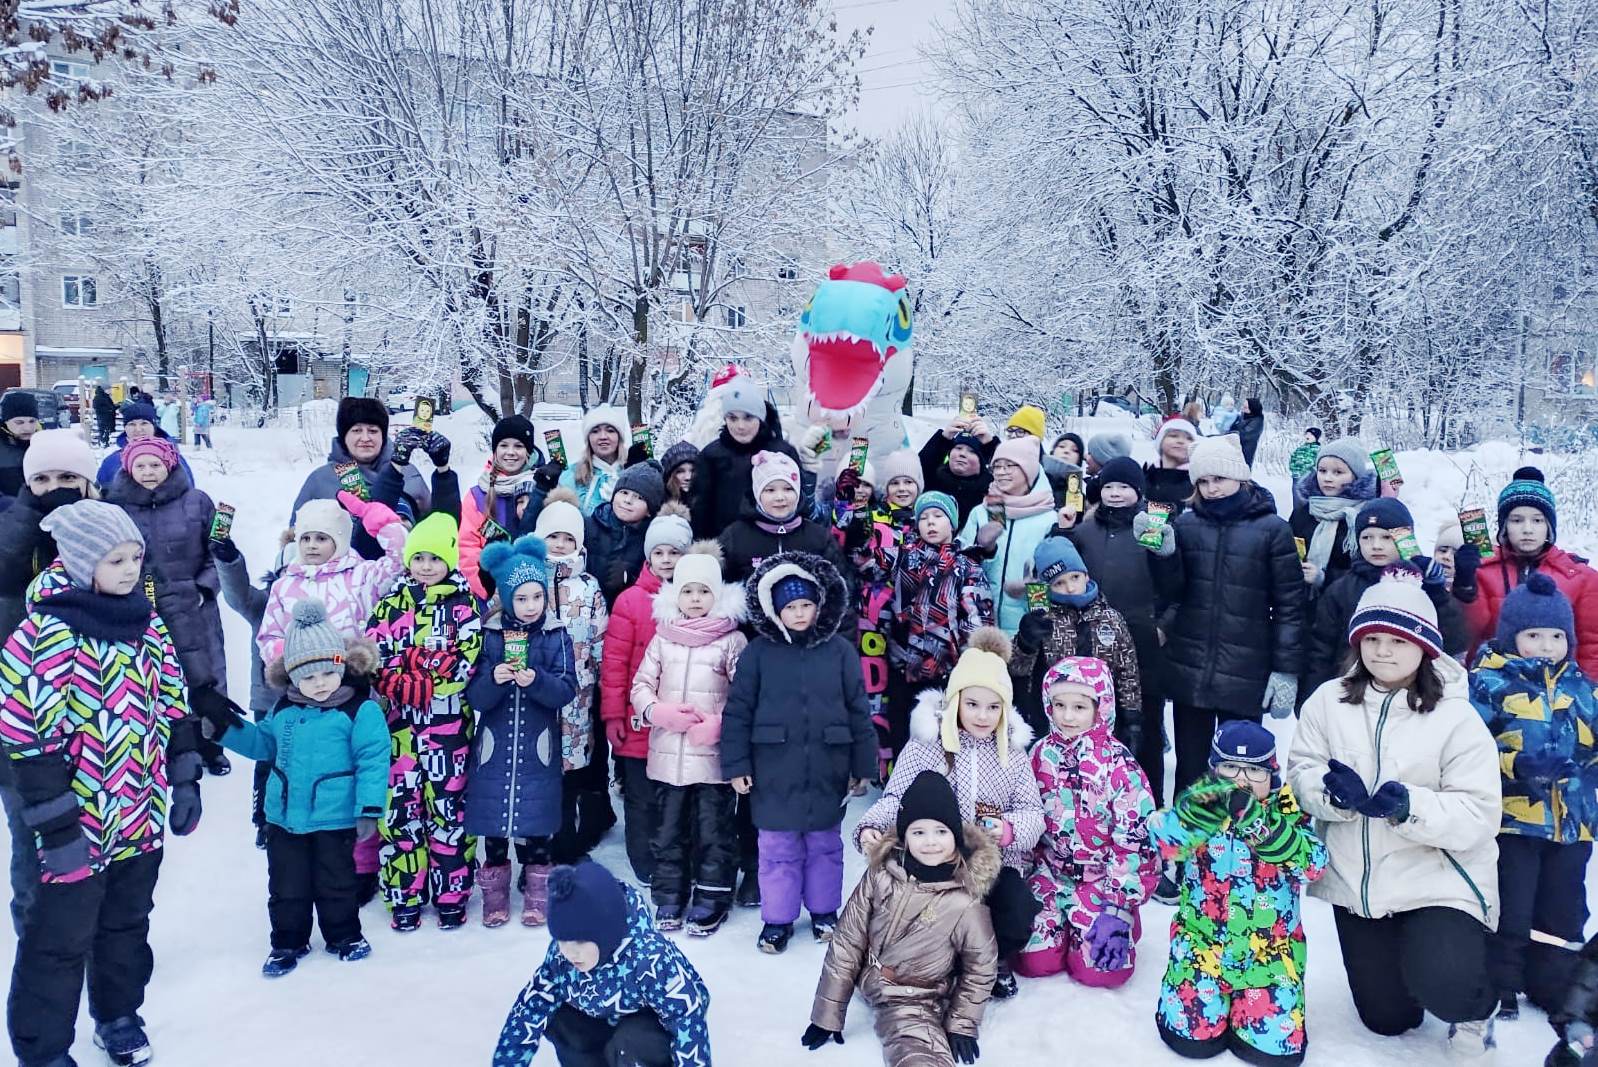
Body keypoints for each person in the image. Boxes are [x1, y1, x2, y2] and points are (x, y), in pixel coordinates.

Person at [0, 499, 202, 1067]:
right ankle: (42, 1050)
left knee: (125, 925)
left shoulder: (145, 622)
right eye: (116, 559)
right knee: (59, 941)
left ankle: (117, 1015)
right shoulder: (47, 633)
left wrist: (184, 775)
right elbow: (26, 736)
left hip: (137, 812)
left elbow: (173, 703)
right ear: (83, 560)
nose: (130, 569)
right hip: (75, 824)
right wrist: (56, 825)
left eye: (135, 556)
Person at [1287, 574, 1501, 1055]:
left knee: (1444, 983)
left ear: (1423, 645)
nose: (1382, 651)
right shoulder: (1328, 700)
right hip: (1358, 884)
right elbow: (1302, 771)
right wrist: (1329, 793)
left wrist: (1411, 806)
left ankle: (1475, 1005)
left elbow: (1480, 813)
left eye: (1397, 640)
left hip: (1437, 876)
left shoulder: (1455, 717)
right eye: (1372, 639)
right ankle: (1410, 966)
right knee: (1387, 1019)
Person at [193, 600, 387, 975]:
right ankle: (287, 942)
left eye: (327, 674)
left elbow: (373, 761)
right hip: (284, 818)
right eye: (308, 677)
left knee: (336, 883)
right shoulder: (283, 711)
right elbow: (263, 746)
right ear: (292, 678)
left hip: (334, 817)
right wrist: (223, 729)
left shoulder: (359, 711)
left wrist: (368, 809)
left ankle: (344, 935)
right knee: (286, 887)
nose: (319, 684)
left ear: (341, 667)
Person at [854, 628, 1045, 999]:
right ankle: (939, 964)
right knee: (925, 911)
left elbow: (1032, 811)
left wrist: (1008, 830)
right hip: (934, 858)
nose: (983, 715)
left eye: (993, 707)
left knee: (1015, 908)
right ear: (956, 699)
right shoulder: (928, 743)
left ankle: (992, 959)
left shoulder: (1013, 754)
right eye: (972, 704)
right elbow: (898, 796)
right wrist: (871, 825)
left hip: (993, 863)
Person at [720, 552, 876, 954]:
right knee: (777, 849)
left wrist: (863, 764)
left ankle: (825, 912)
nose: (800, 613)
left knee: (825, 845)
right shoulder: (757, 653)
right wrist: (737, 764)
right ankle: (777, 919)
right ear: (775, 610)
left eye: (806, 604)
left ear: (819, 605)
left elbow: (859, 708)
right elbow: (738, 710)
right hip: (773, 769)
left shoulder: (841, 651)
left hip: (828, 765)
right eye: (791, 606)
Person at [1152, 721, 1325, 1066]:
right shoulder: (1202, 805)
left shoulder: (1287, 811)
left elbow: (1312, 865)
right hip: (1202, 946)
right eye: (1230, 767)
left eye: (1254, 770)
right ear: (1215, 770)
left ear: (1272, 775)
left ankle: (1253, 1011)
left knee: (1273, 1051)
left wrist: (1257, 823)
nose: (1241, 780)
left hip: (1270, 954)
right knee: (1190, 1040)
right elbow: (1164, 841)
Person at [804, 771, 999, 1066]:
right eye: (918, 832)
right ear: (904, 836)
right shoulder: (881, 874)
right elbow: (848, 940)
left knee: (914, 1050)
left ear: (956, 836)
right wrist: (827, 1014)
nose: (930, 842)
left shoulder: (964, 901)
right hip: (868, 975)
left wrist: (962, 1022)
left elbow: (981, 965)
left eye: (941, 832)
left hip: (914, 995)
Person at [1468, 574, 1596, 1020]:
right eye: (1534, 635)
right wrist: (1518, 766)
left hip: (1572, 823)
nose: (1546, 645)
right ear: (1512, 636)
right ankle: (1501, 982)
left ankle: (1553, 980)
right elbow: (1469, 750)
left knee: (1563, 911)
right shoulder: (1489, 684)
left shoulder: (1584, 689)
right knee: (1512, 907)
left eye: (1556, 636)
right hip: (1513, 821)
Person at [1161, 434, 1305, 795]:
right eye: (1203, 481)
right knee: (1191, 768)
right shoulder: (1186, 525)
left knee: (1240, 770)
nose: (1211, 488)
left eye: (1219, 479)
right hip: (1192, 667)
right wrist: (1163, 556)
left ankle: (1238, 843)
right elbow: (1172, 592)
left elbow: (1290, 604)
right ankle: (1187, 841)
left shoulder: (1272, 530)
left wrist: (1286, 669)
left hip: (1246, 671)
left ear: (1239, 477)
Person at [364, 513, 484, 931]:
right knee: (399, 813)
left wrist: (429, 675)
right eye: (420, 557)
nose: (427, 566)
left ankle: (451, 892)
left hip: (447, 730)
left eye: (436, 558)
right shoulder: (391, 602)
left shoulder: (464, 604)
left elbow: (466, 661)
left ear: (449, 560)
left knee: (448, 811)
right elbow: (373, 655)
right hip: (399, 728)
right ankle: (404, 893)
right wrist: (397, 680)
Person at [0, 430, 98, 934]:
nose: (53, 487)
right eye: (41, 478)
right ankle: (37, 930)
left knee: (95, 831)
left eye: (67, 478)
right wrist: (29, 515)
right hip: (27, 721)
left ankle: (90, 930)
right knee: (31, 828)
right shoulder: (14, 527)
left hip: (98, 716)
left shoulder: (107, 531)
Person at [1017, 657, 1157, 987]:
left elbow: (1135, 841)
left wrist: (1119, 905)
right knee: (1032, 962)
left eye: (1079, 707)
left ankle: (1122, 922)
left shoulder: (1119, 764)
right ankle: (1057, 926)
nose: (1067, 716)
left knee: (1103, 972)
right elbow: (1025, 815)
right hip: (1050, 875)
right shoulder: (1039, 754)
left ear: (1100, 706)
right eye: (1059, 705)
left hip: (1102, 882)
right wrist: (1018, 880)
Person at [631, 541, 748, 936]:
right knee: (667, 830)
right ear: (675, 594)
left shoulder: (731, 640)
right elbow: (641, 684)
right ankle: (670, 894)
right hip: (667, 757)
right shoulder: (663, 637)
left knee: (713, 829)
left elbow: (746, 697)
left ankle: (712, 896)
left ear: (717, 595)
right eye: (688, 591)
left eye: (703, 591)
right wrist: (655, 711)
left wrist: (719, 724)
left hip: (712, 759)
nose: (696, 599)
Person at [492, 860, 712, 1067]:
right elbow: (529, 1010)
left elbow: (686, 1018)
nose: (570, 952)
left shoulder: (648, 958)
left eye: (580, 941)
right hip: (603, 1014)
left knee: (633, 1041)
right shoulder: (561, 959)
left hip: (651, 1021)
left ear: (605, 934)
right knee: (559, 1016)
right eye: (562, 940)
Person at [466, 535, 578, 928]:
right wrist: (494, 679)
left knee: (537, 823)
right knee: (493, 824)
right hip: (494, 748)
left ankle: (537, 894)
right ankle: (494, 896)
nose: (530, 607)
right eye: (521, 599)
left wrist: (536, 680)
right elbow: (476, 698)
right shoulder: (490, 634)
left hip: (537, 748)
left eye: (536, 597)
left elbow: (566, 689)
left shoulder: (556, 634)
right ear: (507, 598)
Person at [105, 434, 231, 776]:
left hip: (195, 607)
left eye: (156, 464)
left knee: (207, 677)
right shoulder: (115, 507)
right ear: (129, 469)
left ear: (170, 465)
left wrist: (205, 588)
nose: (148, 471)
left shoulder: (197, 501)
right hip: (143, 608)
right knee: (157, 682)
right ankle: (173, 748)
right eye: (140, 465)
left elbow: (216, 554)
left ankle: (212, 745)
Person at [1053, 455, 1171, 804]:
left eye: (1123, 487)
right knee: (1093, 723)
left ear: (1139, 491)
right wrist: (1062, 530)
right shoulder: (1085, 530)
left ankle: (1149, 804)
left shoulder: (1150, 527)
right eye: (1108, 486)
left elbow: (1174, 586)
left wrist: (1162, 627)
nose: (1116, 494)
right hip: (1092, 642)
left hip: (1142, 640)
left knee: (1143, 728)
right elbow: (1061, 573)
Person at [597, 508, 693, 879]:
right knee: (641, 798)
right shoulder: (630, 601)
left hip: (682, 719)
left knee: (677, 794)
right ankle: (645, 861)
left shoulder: (697, 600)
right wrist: (613, 716)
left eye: (675, 553)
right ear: (649, 556)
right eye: (660, 553)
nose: (667, 560)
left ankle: (677, 857)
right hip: (638, 720)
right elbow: (615, 665)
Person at [1303, 499, 1467, 693]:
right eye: (1367, 537)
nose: (1376, 545)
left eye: (1386, 537)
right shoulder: (1341, 589)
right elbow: (1321, 649)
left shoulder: (1421, 584)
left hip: (1411, 693)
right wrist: (1312, 697)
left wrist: (1437, 594)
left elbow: (1451, 641)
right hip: (1352, 691)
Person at [532, 489, 614, 867]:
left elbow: (599, 636)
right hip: (533, 694)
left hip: (578, 695)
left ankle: (566, 844)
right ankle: (534, 850)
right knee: (535, 768)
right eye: (554, 537)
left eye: (569, 538)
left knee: (570, 774)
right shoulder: (527, 578)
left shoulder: (589, 586)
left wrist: (598, 681)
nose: (561, 544)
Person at [884, 491, 993, 760]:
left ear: (952, 524)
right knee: (902, 738)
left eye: (938, 516)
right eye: (924, 517)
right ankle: (900, 791)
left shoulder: (967, 565)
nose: (930, 522)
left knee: (946, 740)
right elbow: (860, 553)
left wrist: (974, 665)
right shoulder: (901, 558)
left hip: (948, 673)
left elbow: (978, 621)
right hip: (904, 669)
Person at [1461, 469, 1598, 677]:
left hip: (1561, 695)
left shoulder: (1580, 577)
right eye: (1516, 520)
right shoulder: (1482, 570)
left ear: (1549, 526)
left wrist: (1590, 696)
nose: (1527, 529)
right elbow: (1468, 637)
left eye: (1537, 520)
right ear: (1504, 526)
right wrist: (1464, 588)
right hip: (1492, 688)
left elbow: (1592, 645)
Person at [1011, 538, 1142, 753]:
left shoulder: (1111, 619)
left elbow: (1128, 670)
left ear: (1086, 575)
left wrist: (1132, 718)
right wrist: (1025, 642)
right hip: (1054, 721)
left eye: (1075, 577)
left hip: (1101, 723)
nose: (1070, 588)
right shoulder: (1042, 619)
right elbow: (1018, 669)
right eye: (1059, 583)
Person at [288, 396, 435, 562]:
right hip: (338, 581)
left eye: (373, 431)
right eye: (357, 430)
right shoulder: (320, 480)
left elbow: (433, 526)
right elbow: (296, 538)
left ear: (383, 435)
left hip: (402, 576)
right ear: (344, 435)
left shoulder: (408, 473)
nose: (365, 438)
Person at [957, 437, 1058, 633]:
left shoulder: (1049, 519)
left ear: (1028, 470)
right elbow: (959, 568)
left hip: (1027, 631)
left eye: (1009, 466)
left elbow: (1057, 579)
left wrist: (1031, 589)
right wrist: (983, 550)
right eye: (996, 466)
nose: (1001, 472)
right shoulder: (982, 512)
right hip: (980, 624)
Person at [717, 449, 852, 590]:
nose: (780, 497)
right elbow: (716, 588)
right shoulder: (735, 537)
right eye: (770, 490)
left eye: (788, 489)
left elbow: (839, 588)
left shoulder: (819, 538)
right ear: (757, 494)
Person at [690, 380, 805, 539]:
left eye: (748, 417)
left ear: (760, 417)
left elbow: (800, 503)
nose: (740, 426)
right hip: (727, 547)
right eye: (733, 418)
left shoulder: (783, 453)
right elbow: (699, 512)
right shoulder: (711, 456)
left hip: (777, 542)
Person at [459, 414, 540, 599]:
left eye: (518, 446)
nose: (510, 452)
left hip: (535, 594)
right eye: (503, 445)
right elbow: (467, 548)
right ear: (495, 450)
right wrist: (485, 591)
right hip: (492, 593)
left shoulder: (541, 487)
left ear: (528, 451)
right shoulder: (478, 495)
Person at [1288, 438, 1378, 597]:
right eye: (1322, 471)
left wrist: (1323, 578)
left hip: (1344, 608)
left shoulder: (1363, 517)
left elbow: (1369, 573)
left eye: (1338, 472)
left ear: (1355, 476)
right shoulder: (1303, 513)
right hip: (1301, 607)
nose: (1327, 478)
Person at [585, 463, 667, 605]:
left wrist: (629, 577)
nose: (628, 500)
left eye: (639, 497)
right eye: (624, 492)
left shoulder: (651, 539)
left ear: (650, 510)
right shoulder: (590, 526)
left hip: (625, 610)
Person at [918, 414, 998, 530]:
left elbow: (1011, 478)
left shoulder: (990, 488)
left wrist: (991, 445)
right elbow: (919, 468)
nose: (962, 454)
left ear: (981, 461)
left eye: (971, 451)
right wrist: (943, 439)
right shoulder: (933, 478)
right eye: (958, 448)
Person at [95, 401, 193, 489]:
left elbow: (189, 497)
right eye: (132, 424)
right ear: (125, 429)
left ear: (154, 427)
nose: (138, 429)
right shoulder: (111, 461)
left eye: (144, 423)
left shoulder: (173, 459)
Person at [559, 405, 630, 517]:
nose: (603, 437)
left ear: (619, 437)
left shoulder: (633, 471)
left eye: (610, 431)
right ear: (588, 439)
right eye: (595, 431)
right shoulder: (571, 475)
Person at [1143, 418, 1197, 516]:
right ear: (1161, 440)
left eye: (1189, 438)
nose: (1181, 441)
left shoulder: (1196, 479)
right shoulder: (1146, 474)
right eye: (1173, 436)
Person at [0, 389, 39, 498]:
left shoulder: (44, 445)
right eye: (19, 422)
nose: (28, 428)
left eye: (32, 421)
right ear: (5, 422)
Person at [660, 439, 698, 506]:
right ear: (669, 477)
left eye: (693, 470)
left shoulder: (714, 503)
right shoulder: (658, 507)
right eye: (680, 471)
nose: (688, 477)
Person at [1236, 398, 1265, 468]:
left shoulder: (1257, 421)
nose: (1242, 409)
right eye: (1243, 406)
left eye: (1245, 407)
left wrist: (1231, 432)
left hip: (1246, 452)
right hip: (1236, 450)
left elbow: (1244, 435)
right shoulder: (1244, 416)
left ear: (1252, 409)